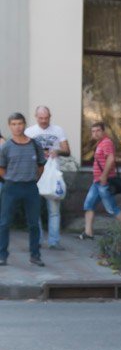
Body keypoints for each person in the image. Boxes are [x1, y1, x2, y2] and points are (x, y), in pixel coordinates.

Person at [0, 113, 47, 266]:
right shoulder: (6, 147)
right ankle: (2, 255)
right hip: (11, 188)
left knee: (33, 224)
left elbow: (41, 165)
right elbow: (1, 168)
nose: (17, 127)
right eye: (13, 124)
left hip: (30, 187)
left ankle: (35, 255)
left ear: (24, 124)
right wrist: (10, 179)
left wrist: (34, 179)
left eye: (19, 123)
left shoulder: (34, 145)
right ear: (9, 126)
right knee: (4, 223)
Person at [26, 105, 71, 250]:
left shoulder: (58, 130)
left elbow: (67, 150)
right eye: (41, 118)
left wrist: (57, 151)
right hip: (35, 175)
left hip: (53, 175)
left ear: (50, 117)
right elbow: (24, 151)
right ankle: (37, 240)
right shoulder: (29, 132)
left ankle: (54, 241)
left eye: (46, 118)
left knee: (54, 211)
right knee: (35, 210)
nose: (44, 121)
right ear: (36, 117)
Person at [80, 122, 121, 239]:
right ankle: (88, 232)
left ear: (103, 131)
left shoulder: (106, 142)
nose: (95, 133)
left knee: (112, 208)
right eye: (93, 131)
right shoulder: (100, 143)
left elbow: (111, 158)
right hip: (97, 182)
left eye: (98, 131)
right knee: (88, 205)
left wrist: (104, 176)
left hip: (104, 181)